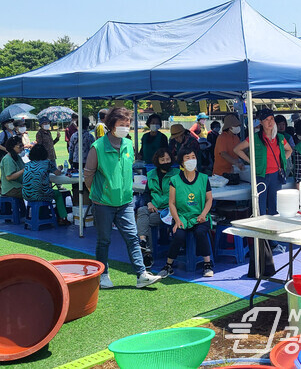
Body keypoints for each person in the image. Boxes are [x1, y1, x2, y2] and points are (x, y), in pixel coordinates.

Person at [84, 107, 161, 289]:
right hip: (103, 202)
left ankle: (141, 274)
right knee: (104, 240)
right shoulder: (98, 147)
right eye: (121, 125)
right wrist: (96, 193)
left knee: (133, 237)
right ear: (111, 125)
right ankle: (103, 275)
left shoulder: (128, 145)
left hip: (126, 201)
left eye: (127, 125)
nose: (125, 128)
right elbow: (88, 174)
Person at [233, 108, 292, 277]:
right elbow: (237, 149)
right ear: (260, 122)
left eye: (272, 119)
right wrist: (251, 161)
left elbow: (289, 150)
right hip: (260, 176)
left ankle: (273, 242)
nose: (270, 122)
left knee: (273, 209)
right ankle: (262, 243)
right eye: (267, 119)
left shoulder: (280, 137)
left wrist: (282, 161)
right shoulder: (255, 138)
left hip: (275, 176)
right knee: (259, 209)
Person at [158, 147, 214, 278]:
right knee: (178, 236)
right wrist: (177, 220)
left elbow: (209, 199)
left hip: (200, 216)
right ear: (182, 162)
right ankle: (168, 265)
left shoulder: (204, 178)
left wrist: (203, 215)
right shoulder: (175, 180)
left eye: (193, 157)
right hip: (182, 216)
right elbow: (171, 202)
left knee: (201, 232)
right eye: (187, 158)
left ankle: (207, 264)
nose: (191, 160)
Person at [137, 148, 179, 267]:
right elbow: (146, 193)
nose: (166, 162)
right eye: (162, 160)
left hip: (169, 211)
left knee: (148, 221)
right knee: (141, 210)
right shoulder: (151, 174)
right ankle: (143, 241)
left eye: (168, 159)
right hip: (154, 208)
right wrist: (149, 203)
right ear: (157, 161)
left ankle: (147, 253)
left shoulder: (176, 174)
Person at [22, 144, 68, 224]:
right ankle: (62, 217)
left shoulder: (28, 164)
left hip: (27, 194)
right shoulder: (47, 163)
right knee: (58, 194)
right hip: (41, 194)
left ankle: (44, 214)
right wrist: (59, 168)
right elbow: (57, 173)